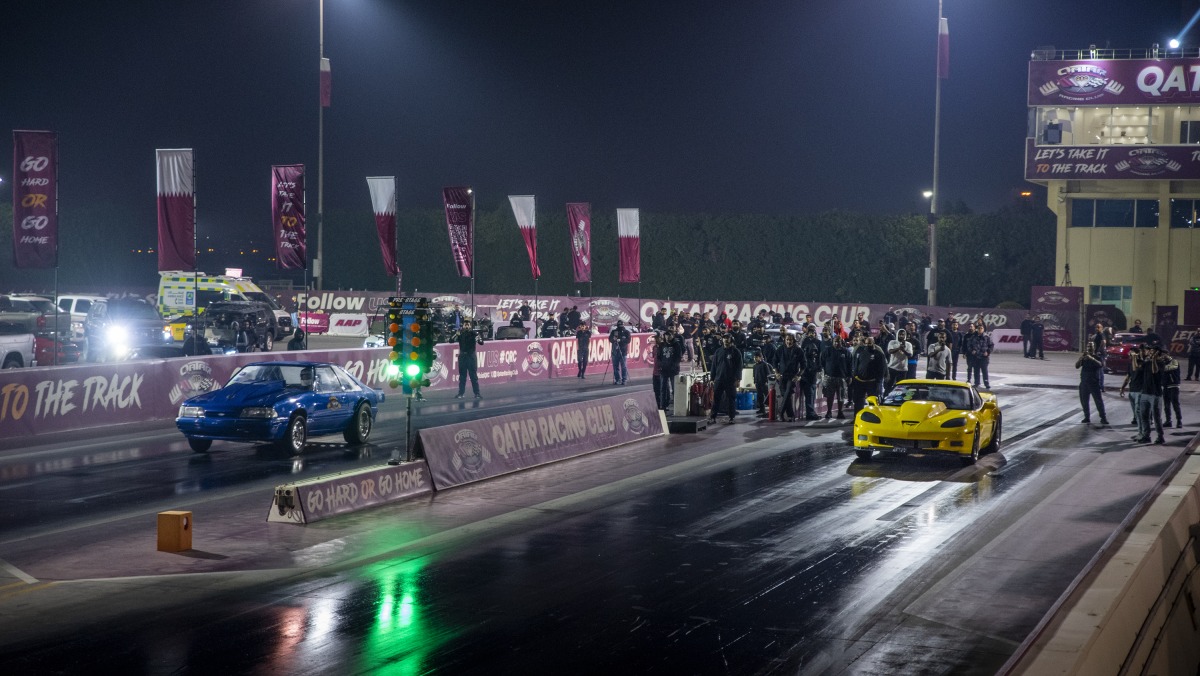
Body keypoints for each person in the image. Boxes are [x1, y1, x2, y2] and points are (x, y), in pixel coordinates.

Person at [708, 334, 743, 424]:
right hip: (719, 379)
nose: (725, 340)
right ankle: (713, 417)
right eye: (724, 338)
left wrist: (738, 379)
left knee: (731, 399)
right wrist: (712, 378)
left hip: (730, 380)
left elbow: (739, 367)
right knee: (716, 399)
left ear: (731, 339)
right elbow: (714, 366)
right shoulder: (718, 351)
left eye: (727, 338)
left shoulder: (736, 352)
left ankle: (731, 417)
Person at [774, 334, 804, 422]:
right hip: (782, 377)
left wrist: (798, 375)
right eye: (787, 339)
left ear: (793, 340)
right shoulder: (780, 349)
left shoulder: (798, 350)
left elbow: (804, 365)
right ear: (785, 340)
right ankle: (791, 415)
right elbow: (774, 361)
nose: (788, 341)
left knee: (787, 393)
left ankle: (780, 413)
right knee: (786, 396)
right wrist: (776, 373)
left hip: (792, 377)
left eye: (790, 340)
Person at [1076, 342, 1108, 425]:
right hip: (1084, 383)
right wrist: (1081, 359)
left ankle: (1103, 417)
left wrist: (1091, 358)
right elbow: (1077, 366)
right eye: (1088, 346)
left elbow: (1101, 365)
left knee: (1098, 401)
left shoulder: (1097, 357)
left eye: (1091, 347)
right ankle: (1087, 417)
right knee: (1084, 401)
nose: (1089, 348)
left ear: (1094, 348)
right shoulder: (1084, 357)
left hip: (1094, 383)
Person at [820, 335, 851, 419]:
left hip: (842, 378)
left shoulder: (846, 352)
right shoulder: (827, 351)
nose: (837, 343)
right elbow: (822, 363)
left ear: (842, 342)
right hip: (829, 377)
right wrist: (823, 375)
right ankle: (829, 412)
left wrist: (850, 376)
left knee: (841, 396)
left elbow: (850, 365)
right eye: (835, 341)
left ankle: (840, 412)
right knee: (829, 396)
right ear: (833, 342)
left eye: (839, 341)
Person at [654, 329, 684, 413]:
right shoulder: (662, 345)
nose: (667, 337)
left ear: (672, 336)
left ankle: (676, 406)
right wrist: (661, 365)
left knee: (675, 388)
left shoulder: (676, 344)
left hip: (673, 370)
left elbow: (678, 357)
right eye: (666, 335)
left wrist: (673, 366)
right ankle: (663, 406)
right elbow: (658, 356)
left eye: (669, 335)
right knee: (663, 388)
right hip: (664, 370)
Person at [454, 320, 484, 399]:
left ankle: (477, 393)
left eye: (468, 325)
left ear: (470, 326)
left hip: (471, 356)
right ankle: (461, 393)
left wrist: (477, 337)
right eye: (465, 324)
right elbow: (451, 340)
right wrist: (456, 335)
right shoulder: (460, 333)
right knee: (462, 376)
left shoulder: (474, 334)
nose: (466, 326)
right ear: (463, 325)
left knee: (473, 376)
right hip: (463, 356)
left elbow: (481, 342)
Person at [798, 326, 822, 420]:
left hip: (812, 375)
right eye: (813, 351)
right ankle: (810, 413)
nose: (814, 352)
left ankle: (811, 412)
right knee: (810, 394)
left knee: (811, 394)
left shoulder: (813, 357)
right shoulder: (806, 358)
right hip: (808, 376)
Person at [1162, 351, 1182, 428]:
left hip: (1174, 385)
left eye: (1164, 354)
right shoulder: (1163, 362)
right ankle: (1168, 421)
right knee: (1166, 405)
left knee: (1175, 404)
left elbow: (1168, 368)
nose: (1162, 356)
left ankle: (1179, 421)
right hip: (1166, 386)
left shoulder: (1174, 361)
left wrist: (1161, 365)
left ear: (1167, 354)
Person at [608, 319, 631, 385]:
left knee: (623, 366)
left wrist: (620, 340)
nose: (620, 326)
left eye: (621, 325)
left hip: (623, 351)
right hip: (615, 351)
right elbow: (610, 339)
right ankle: (618, 379)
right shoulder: (614, 331)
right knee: (615, 366)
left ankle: (624, 379)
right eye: (619, 325)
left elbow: (628, 340)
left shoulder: (626, 332)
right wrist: (614, 340)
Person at [752, 351, 772, 418]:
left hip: (764, 383)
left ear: (760, 357)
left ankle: (771, 409)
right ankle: (762, 409)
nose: (755, 358)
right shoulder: (754, 366)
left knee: (767, 396)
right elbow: (754, 375)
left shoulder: (764, 364)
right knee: (760, 396)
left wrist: (767, 381)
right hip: (758, 383)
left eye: (756, 357)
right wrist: (755, 382)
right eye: (754, 357)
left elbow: (768, 373)